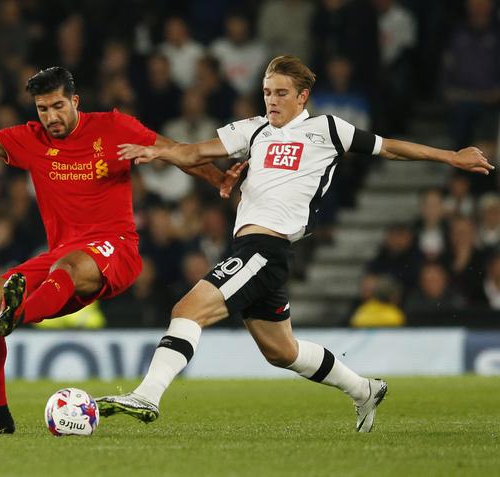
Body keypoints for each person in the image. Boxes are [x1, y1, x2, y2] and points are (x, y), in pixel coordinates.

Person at [97, 55, 493, 433]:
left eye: (281, 93)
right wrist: (159, 152)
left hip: (265, 250)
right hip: (251, 250)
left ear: (302, 97)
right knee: (281, 351)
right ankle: (364, 389)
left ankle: (146, 396)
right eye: (267, 91)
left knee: (188, 309)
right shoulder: (252, 129)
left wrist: (451, 157)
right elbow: (197, 151)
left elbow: (388, 147)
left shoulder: (327, 129)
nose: (271, 99)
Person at [0, 66, 245, 435]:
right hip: (62, 261)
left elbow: (174, 150)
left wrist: (218, 181)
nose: (51, 117)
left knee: (64, 267)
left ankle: (18, 314)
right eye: (43, 109)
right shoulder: (31, 140)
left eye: (58, 106)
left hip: (116, 250)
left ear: (75, 101)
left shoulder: (113, 127)